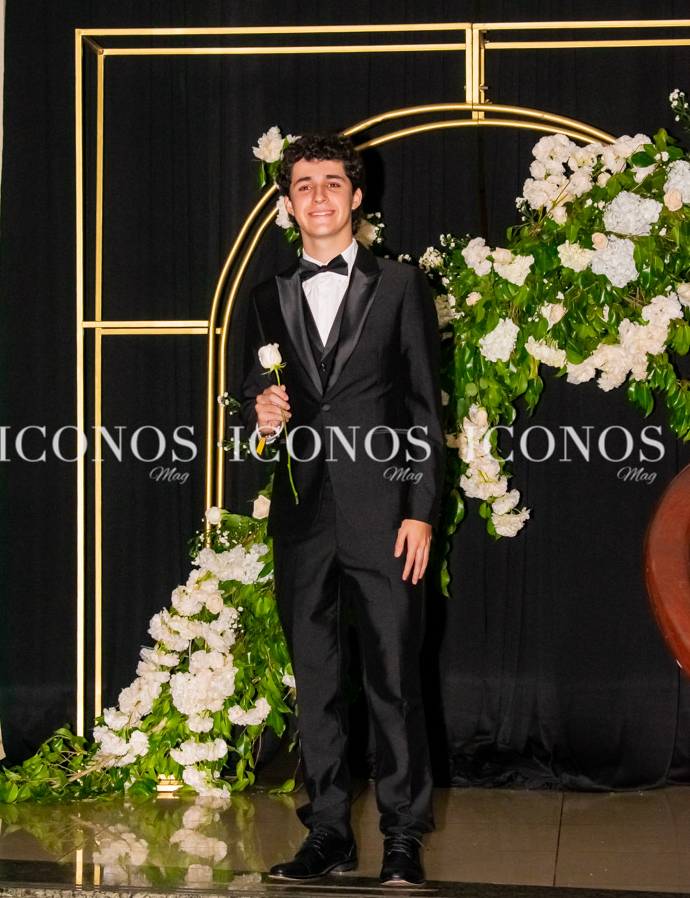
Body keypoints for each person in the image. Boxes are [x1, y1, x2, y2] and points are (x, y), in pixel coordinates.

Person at [240, 132, 444, 885]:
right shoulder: (267, 296)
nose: (318, 196)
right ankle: (326, 832)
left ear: (357, 196)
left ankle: (403, 836)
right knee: (316, 682)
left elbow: (423, 408)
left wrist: (420, 509)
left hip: (386, 514)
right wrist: (260, 417)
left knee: (394, 680)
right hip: (301, 516)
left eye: (332, 182)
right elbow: (255, 399)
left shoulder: (401, 285)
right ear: (288, 204)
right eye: (304, 185)